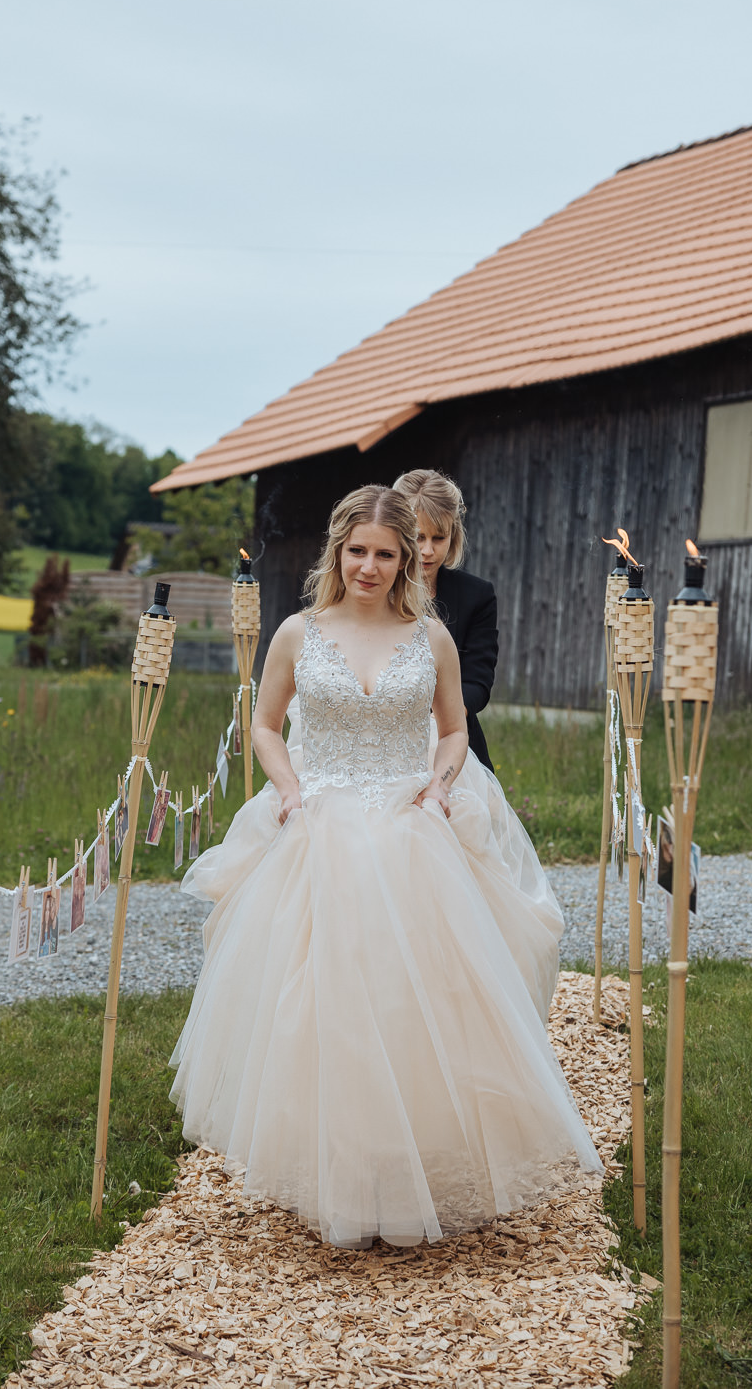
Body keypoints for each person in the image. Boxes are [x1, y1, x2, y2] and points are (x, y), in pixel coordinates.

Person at [169, 485, 601, 1249]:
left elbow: (454, 729)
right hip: (321, 828)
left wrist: (438, 787)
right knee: (324, 1007)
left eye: (387, 554)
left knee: (417, 1006)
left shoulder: (429, 636)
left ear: (410, 561)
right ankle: (343, 1176)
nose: (370, 566)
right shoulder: (298, 634)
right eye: (358, 550)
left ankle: (414, 1173)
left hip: (410, 833)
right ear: (338, 550)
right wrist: (292, 791)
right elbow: (264, 726)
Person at [393, 469, 498, 771]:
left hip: (452, 740)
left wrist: (438, 717)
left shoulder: (478, 595)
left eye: (439, 538)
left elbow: (477, 681)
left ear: (454, 535)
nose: (427, 550)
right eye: (417, 537)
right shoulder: (372, 589)